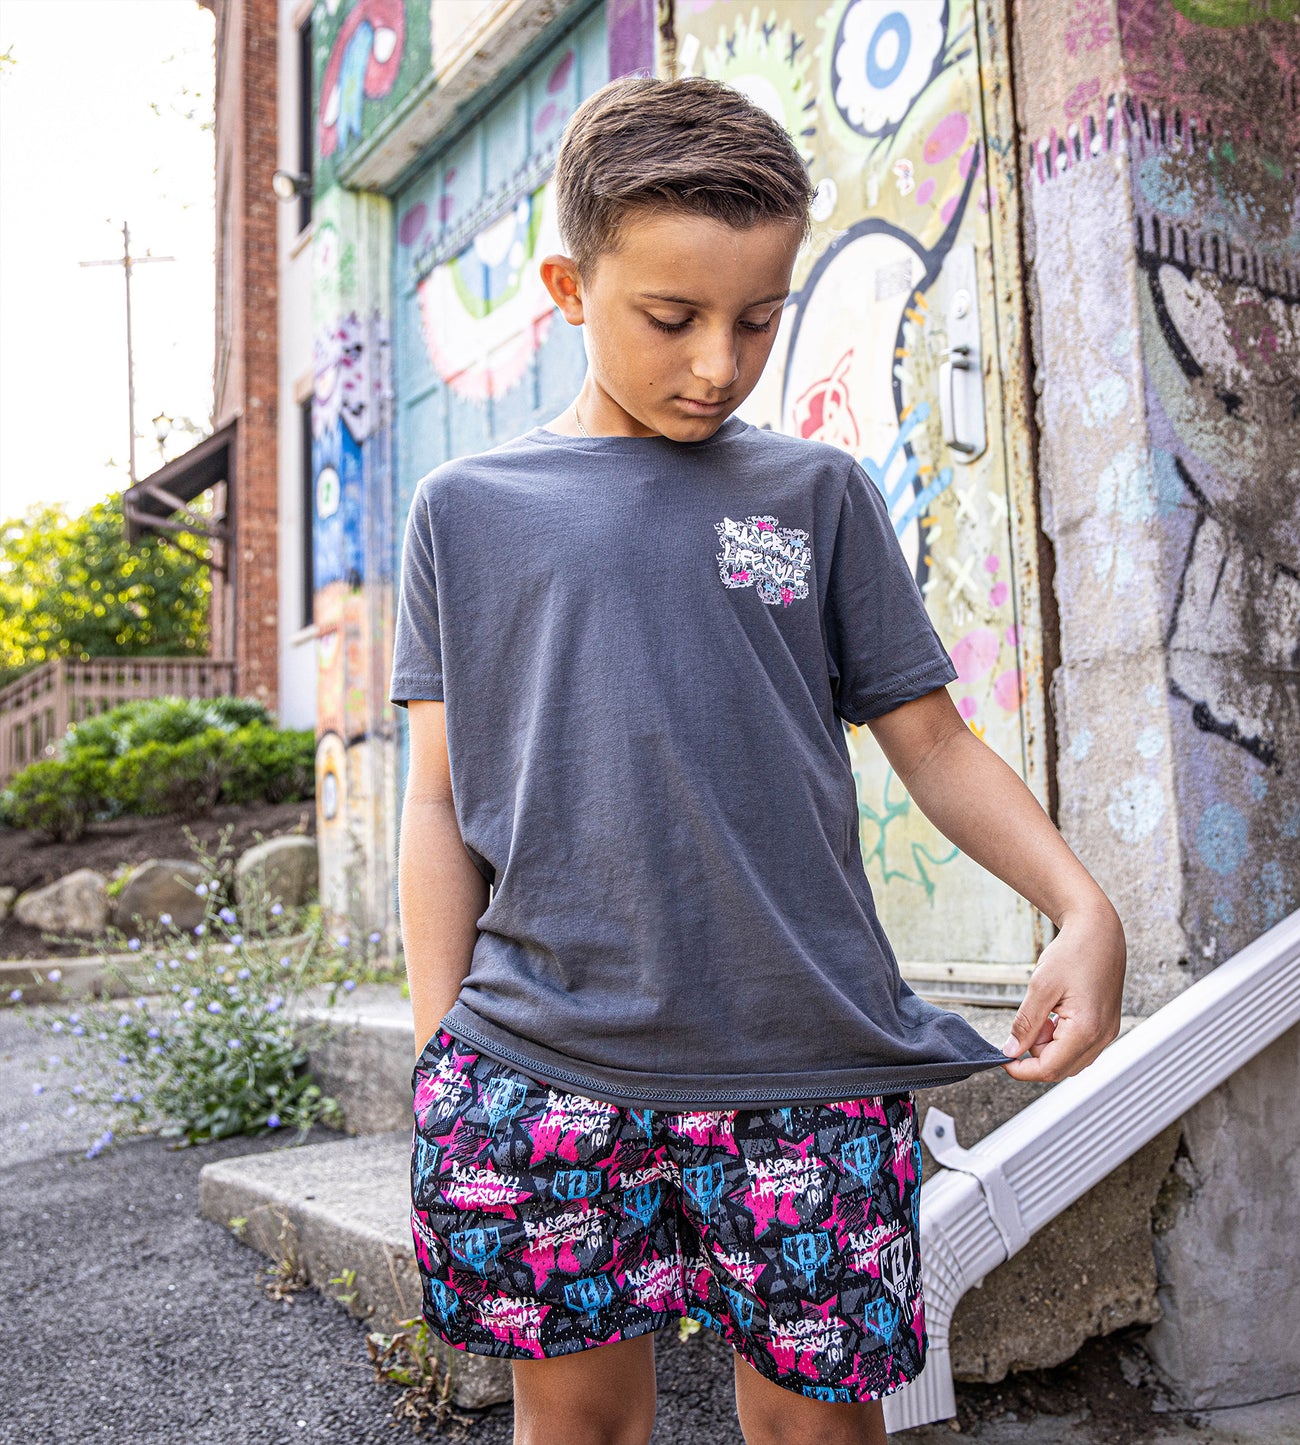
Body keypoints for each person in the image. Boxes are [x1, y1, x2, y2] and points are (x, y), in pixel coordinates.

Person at [390, 73, 1126, 1445]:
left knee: (816, 1431)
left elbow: (930, 739)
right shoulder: (465, 510)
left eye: (758, 317)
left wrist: (1083, 907)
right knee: (579, 1428)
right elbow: (438, 799)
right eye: (671, 318)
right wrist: (443, 1056)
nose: (719, 364)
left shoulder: (816, 495)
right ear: (569, 288)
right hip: (538, 1066)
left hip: (804, 1066)